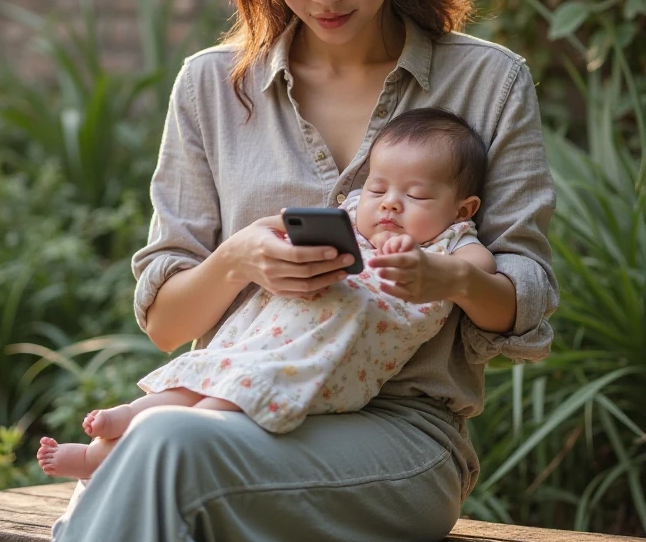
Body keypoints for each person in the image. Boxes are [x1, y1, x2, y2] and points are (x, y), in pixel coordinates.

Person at [3, 0, 558, 542]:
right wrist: (238, 262)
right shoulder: (209, 89)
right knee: (157, 473)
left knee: (153, 461)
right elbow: (162, 318)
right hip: (226, 422)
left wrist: (448, 275)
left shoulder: (486, 82)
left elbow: (529, 299)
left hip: (400, 443)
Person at [36, 107, 496, 477]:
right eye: (378, 187)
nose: (390, 203)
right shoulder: (354, 216)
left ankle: (123, 448)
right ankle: (124, 422)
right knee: (203, 379)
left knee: (228, 403)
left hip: (317, 360)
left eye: (415, 196)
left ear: (462, 208)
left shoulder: (453, 242)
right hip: (264, 333)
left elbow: (481, 275)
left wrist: (432, 269)